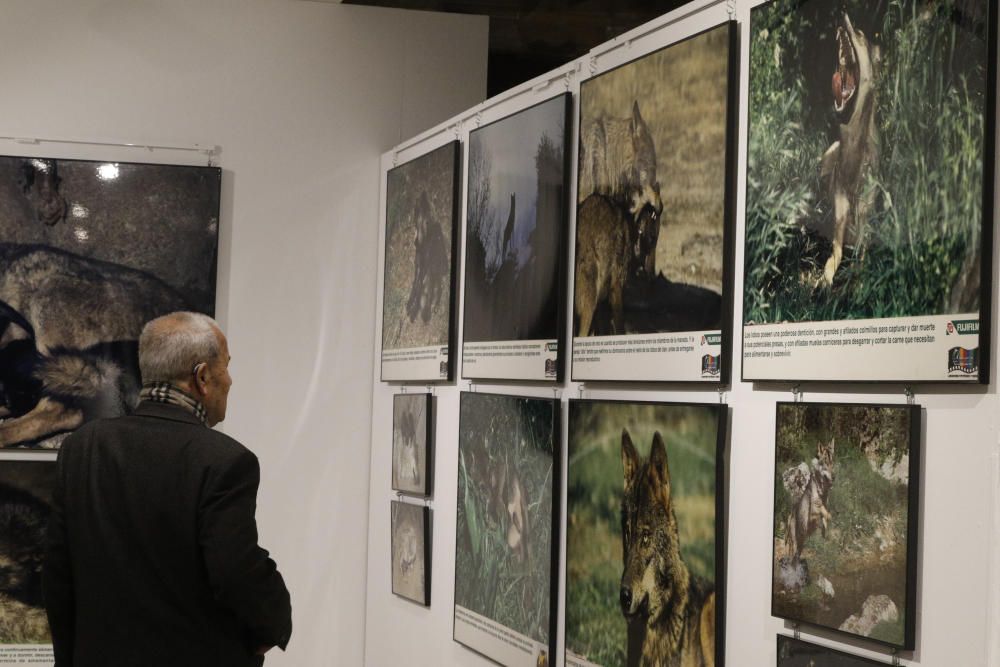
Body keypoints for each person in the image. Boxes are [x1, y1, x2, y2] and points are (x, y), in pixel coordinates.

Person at [43, 311, 292, 666]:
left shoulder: (83, 447)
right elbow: (235, 570)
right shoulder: (224, 460)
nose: (231, 380)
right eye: (227, 367)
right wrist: (273, 627)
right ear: (202, 376)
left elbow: (57, 573)